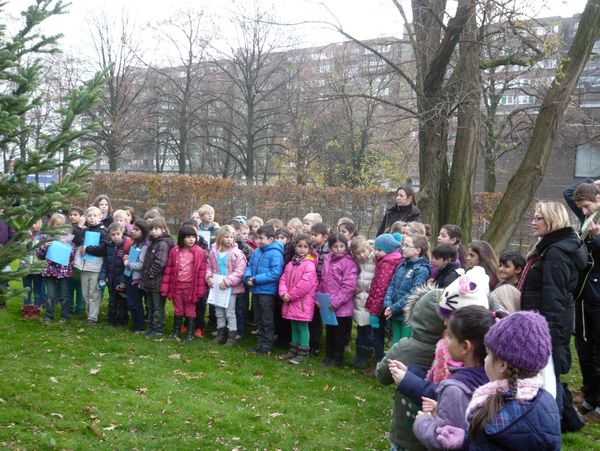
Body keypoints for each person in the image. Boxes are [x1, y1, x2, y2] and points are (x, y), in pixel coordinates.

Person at [437, 311, 561, 450]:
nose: (485, 359)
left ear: (502, 365)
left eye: (488, 354)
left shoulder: (493, 420)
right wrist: (465, 440)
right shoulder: (545, 400)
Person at [519, 200, 587, 415]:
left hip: (547, 324)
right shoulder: (550, 247)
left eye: (538, 218)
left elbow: (554, 295)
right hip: (542, 320)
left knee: (550, 375)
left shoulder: (556, 252)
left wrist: (549, 332)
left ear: (552, 220)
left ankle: (552, 423)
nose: (533, 222)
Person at [405, 306, 494, 450]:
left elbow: (444, 440)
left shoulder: (455, 389)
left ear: (465, 347)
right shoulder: (492, 377)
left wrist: (423, 422)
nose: (446, 341)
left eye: (450, 337)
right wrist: (439, 409)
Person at [564, 180, 600, 417]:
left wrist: (596, 239)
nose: (583, 212)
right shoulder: (589, 217)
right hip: (583, 295)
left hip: (597, 297)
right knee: (584, 348)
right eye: (582, 208)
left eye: (586, 206)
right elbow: (568, 192)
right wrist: (595, 183)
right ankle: (590, 396)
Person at [161, 225, 207, 344]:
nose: (191, 239)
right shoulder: (175, 251)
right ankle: (176, 332)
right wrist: (166, 288)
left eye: (193, 237)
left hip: (190, 287)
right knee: (178, 309)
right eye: (188, 237)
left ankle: (190, 334)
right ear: (182, 238)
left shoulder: (199, 252)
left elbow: (202, 273)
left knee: (190, 309)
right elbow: (169, 270)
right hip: (177, 286)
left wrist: (200, 290)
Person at [318, 233, 358, 367]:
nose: (339, 249)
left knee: (339, 333)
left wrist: (336, 303)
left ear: (346, 247)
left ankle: (337, 357)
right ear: (330, 247)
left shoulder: (349, 262)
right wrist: (319, 297)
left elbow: (348, 286)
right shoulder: (328, 259)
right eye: (335, 246)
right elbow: (323, 280)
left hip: (340, 305)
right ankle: (329, 354)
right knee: (329, 330)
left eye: (342, 246)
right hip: (327, 302)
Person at [244, 224, 285, 356]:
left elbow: (275, 273)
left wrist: (256, 279)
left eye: (262, 238)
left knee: (267, 319)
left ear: (271, 239)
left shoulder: (276, 254)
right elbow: (249, 266)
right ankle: (259, 343)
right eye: (257, 238)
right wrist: (248, 277)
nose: (259, 241)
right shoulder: (257, 252)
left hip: (267, 292)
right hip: (256, 291)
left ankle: (266, 345)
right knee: (258, 319)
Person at [278, 234, 318, 364]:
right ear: (295, 247)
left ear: (309, 248)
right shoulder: (291, 263)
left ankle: (303, 352)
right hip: (289, 300)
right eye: (299, 246)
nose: (302, 249)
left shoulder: (309, 264)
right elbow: (283, 279)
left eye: (305, 247)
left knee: (302, 326)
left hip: (301, 303)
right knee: (294, 325)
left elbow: (305, 284)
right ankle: (293, 350)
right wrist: (283, 293)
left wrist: (291, 296)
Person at [384, 234, 431, 344]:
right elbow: (391, 284)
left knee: (404, 344)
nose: (403, 248)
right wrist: (388, 305)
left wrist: (394, 308)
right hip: (395, 312)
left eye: (406, 246)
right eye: (402, 245)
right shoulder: (402, 264)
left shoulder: (422, 269)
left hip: (407, 315)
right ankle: (392, 361)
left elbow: (413, 294)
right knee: (395, 343)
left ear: (417, 250)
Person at [365, 233, 403, 365]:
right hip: (380, 304)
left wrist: (374, 312)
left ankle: (379, 361)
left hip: (380, 307)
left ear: (388, 250)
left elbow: (381, 289)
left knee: (377, 335)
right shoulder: (384, 261)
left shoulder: (387, 264)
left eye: (379, 250)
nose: (375, 252)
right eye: (375, 249)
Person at [206, 225, 246, 346]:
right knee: (218, 311)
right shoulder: (214, 252)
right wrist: (209, 278)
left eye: (231, 237)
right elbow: (209, 266)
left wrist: (228, 282)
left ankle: (231, 337)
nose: (229, 239)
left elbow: (240, 271)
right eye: (226, 237)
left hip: (230, 288)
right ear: (220, 238)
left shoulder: (237, 253)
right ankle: (220, 334)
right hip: (217, 287)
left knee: (229, 312)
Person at [35, 214, 75, 323]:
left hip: (64, 271)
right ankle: (49, 316)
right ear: (51, 225)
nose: (60, 227)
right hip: (49, 270)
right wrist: (45, 246)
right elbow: (38, 254)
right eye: (57, 224)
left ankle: (64, 317)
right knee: (50, 296)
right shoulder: (45, 237)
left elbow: (72, 256)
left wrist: (66, 247)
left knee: (64, 296)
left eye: (62, 225)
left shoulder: (68, 238)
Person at [141, 217, 175, 337]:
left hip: (158, 281)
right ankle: (152, 326)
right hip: (151, 281)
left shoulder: (162, 244)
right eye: (152, 229)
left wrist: (150, 273)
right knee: (150, 305)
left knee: (157, 306)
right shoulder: (153, 242)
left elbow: (160, 262)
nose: (153, 231)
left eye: (156, 229)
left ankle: (158, 328)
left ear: (164, 229)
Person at [73, 206, 108, 325]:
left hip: (96, 267)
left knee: (94, 293)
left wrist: (88, 249)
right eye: (89, 216)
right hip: (84, 266)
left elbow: (103, 249)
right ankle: (89, 314)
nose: (92, 218)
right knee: (85, 293)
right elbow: (77, 240)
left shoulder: (103, 231)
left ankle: (92, 318)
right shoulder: (85, 229)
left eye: (94, 216)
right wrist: (80, 226)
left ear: (100, 217)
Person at [349, 236, 376, 369]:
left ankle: (366, 356)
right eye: (358, 253)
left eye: (363, 252)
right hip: (360, 298)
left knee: (369, 331)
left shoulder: (376, 259)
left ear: (368, 248)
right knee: (361, 329)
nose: (361, 255)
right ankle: (359, 355)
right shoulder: (357, 262)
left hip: (371, 298)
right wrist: (355, 288)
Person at [98, 223, 132, 327]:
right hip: (111, 280)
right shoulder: (109, 247)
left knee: (122, 302)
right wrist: (102, 278)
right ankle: (111, 320)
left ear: (122, 233)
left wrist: (123, 281)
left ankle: (122, 321)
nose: (116, 236)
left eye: (118, 234)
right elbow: (105, 264)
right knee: (112, 301)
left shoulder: (126, 247)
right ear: (109, 235)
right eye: (113, 234)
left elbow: (126, 267)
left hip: (121, 280)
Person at [123, 219, 149, 333]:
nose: (133, 231)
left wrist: (128, 264)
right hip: (129, 276)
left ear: (143, 232)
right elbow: (133, 256)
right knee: (131, 302)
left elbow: (142, 264)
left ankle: (140, 325)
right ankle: (135, 324)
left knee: (136, 303)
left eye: (137, 230)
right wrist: (126, 257)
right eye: (133, 229)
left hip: (136, 279)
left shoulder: (145, 246)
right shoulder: (134, 243)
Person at [308, 222, 330, 356]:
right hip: (311, 286)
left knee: (318, 318)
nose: (312, 237)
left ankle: (315, 345)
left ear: (325, 237)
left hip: (322, 288)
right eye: (311, 235)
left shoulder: (328, 251)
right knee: (311, 316)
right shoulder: (312, 250)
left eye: (315, 235)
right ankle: (309, 343)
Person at [20, 218, 45, 319]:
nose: (33, 225)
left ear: (40, 224)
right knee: (26, 290)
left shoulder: (43, 237)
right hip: (24, 267)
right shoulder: (24, 236)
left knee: (37, 291)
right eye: (31, 223)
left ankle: (36, 311)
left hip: (38, 268)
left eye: (35, 223)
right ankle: (26, 310)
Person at [67, 207, 85, 316]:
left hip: (79, 261)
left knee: (79, 286)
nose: (72, 216)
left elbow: (78, 240)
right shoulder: (68, 228)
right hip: (69, 261)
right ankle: (69, 307)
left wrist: (79, 227)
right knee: (69, 286)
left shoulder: (84, 228)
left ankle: (79, 308)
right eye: (71, 214)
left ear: (81, 217)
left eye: (75, 214)